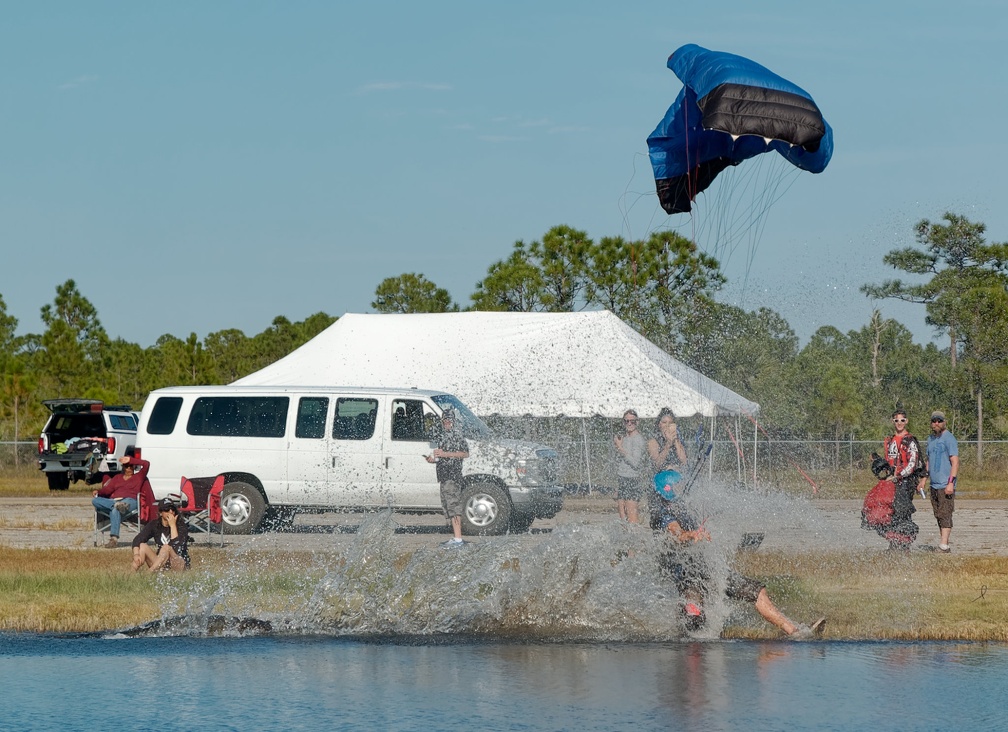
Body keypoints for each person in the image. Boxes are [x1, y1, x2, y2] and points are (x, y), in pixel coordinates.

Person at [653, 477, 825, 639]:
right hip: (688, 577)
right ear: (668, 490)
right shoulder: (663, 514)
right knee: (693, 618)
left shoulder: (682, 508)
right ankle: (681, 643)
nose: (682, 487)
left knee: (756, 591)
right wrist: (689, 535)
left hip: (710, 570)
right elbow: (676, 533)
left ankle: (795, 632)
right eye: (678, 485)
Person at [426, 409, 470, 547]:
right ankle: (456, 538)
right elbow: (444, 457)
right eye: (444, 420)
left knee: (453, 506)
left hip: (453, 476)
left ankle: (458, 539)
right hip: (444, 476)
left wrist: (444, 454)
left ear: (454, 421)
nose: (446, 423)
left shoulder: (457, 435)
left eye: (449, 420)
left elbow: (465, 454)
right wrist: (434, 460)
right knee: (447, 506)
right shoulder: (443, 436)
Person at [880, 409, 922, 549]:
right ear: (893, 421)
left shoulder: (910, 441)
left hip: (905, 482)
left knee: (903, 513)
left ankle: (904, 545)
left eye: (902, 420)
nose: (899, 423)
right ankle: (894, 543)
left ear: (906, 421)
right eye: (896, 420)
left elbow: (912, 464)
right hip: (891, 483)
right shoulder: (890, 440)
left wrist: (898, 476)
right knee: (891, 513)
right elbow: (888, 461)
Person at [91, 453, 152, 549]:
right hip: (115, 501)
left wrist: (130, 460)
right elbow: (107, 490)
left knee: (115, 510)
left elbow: (146, 464)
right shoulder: (117, 478)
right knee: (95, 501)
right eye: (127, 466)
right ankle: (117, 505)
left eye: (131, 466)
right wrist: (98, 491)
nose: (129, 468)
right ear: (123, 467)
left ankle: (114, 539)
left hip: (130, 501)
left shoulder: (138, 477)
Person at [920, 411, 959, 553]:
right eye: (934, 421)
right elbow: (928, 461)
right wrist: (924, 479)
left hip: (945, 484)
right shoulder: (930, 439)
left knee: (945, 513)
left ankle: (944, 545)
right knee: (938, 514)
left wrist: (950, 483)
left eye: (939, 421)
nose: (936, 423)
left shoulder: (949, 439)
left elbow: (955, 462)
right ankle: (943, 542)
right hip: (934, 484)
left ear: (944, 422)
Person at [646, 408, 688, 529]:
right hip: (659, 490)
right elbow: (658, 464)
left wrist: (674, 441)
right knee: (663, 523)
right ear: (659, 424)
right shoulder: (653, 442)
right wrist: (668, 444)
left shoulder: (677, 441)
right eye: (664, 422)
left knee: (682, 521)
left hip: (676, 488)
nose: (667, 426)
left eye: (670, 423)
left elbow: (684, 461)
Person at [131, 496, 191, 572]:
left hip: (179, 563)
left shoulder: (181, 526)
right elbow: (138, 539)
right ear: (160, 513)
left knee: (166, 547)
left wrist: (172, 525)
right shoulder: (155, 524)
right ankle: (131, 575)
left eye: (172, 509)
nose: (170, 511)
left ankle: (149, 573)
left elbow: (177, 547)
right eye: (166, 509)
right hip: (161, 562)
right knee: (142, 546)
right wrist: (136, 555)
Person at [613, 409, 648, 523]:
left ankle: (637, 539)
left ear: (637, 422)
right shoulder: (625, 437)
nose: (629, 423)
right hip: (622, 478)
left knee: (632, 519)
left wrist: (620, 448)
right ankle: (627, 539)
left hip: (632, 480)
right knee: (623, 518)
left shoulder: (638, 439)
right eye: (626, 421)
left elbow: (636, 462)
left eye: (632, 421)